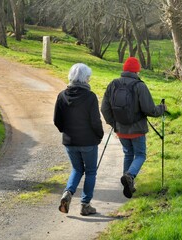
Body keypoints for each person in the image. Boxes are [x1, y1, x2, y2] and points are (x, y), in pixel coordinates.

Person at [101, 57, 166, 198]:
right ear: (137, 71)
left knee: (128, 154)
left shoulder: (113, 84)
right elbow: (150, 110)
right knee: (140, 155)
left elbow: (104, 108)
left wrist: (114, 123)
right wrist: (162, 108)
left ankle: (129, 186)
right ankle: (129, 176)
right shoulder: (140, 86)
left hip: (121, 130)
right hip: (137, 130)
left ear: (124, 69)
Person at [54, 63, 104, 216]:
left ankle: (68, 193)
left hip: (70, 142)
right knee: (90, 172)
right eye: (88, 77)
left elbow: (57, 120)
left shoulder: (62, 95)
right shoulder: (90, 97)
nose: (89, 80)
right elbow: (95, 121)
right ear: (85, 79)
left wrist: (66, 131)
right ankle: (85, 205)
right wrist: (99, 135)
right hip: (88, 142)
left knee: (77, 169)